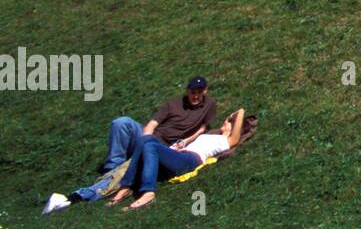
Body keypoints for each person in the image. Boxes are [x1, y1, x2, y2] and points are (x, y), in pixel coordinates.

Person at [44, 109, 246, 214]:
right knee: (146, 141)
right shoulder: (210, 135)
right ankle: (122, 187)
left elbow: (235, 138)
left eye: (228, 122)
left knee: (148, 141)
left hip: (188, 161)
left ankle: (147, 192)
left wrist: (240, 113)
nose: (225, 122)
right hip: (178, 155)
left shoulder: (224, 140)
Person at [99, 77, 217, 172]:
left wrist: (184, 142)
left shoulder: (209, 104)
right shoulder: (174, 103)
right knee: (122, 122)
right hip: (152, 137)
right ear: (187, 91)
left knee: (150, 148)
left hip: (166, 147)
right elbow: (152, 124)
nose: (196, 96)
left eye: (199, 92)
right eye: (193, 92)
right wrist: (145, 140)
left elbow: (203, 129)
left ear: (205, 90)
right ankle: (112, 166)